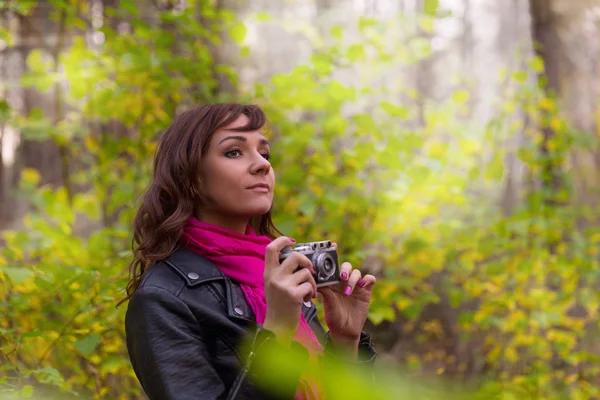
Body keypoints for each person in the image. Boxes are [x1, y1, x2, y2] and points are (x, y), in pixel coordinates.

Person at [121, 103, 377, 400]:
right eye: (234, 152)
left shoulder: (280, 276)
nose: (262, 165)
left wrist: (347, 341)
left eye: (265, 153)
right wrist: (278, 331)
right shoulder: (164, 298)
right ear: (190, 176)